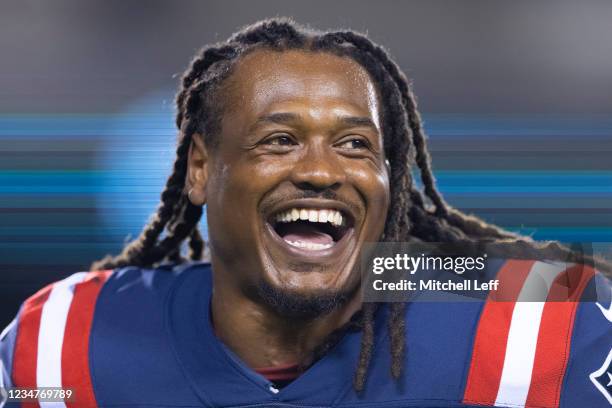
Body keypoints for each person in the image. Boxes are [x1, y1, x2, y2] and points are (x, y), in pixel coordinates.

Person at [1, 18, 610, 408]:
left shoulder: (537, 328)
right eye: (279, 140)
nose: (322, 171)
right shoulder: (62, 346)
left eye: (355, 145)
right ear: (201, 169)